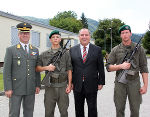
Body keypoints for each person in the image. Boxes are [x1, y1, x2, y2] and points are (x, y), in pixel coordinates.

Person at [106, 25, 148, 117]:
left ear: (130, 34)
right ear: (120, 35)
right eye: (123, 33)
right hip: (120, 83)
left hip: (134, 82)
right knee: (119, 109)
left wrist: (145, 85)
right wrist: (121, 66)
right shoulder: (116, 49)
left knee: (135, 109)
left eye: (127, 32)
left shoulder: (139, 49)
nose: (125, 35)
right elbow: (108, 67)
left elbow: (144, 67)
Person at [3, 22, 41, 117]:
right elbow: (6, 71)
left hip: (30, 87)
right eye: (22, 33)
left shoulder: (35, 50)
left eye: (27, 33)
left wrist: (37, 85)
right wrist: (8, 88)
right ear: (18, 35)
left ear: (29, 35)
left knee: (29, 113)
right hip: (16, 88)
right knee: (14, 113)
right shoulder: (11, 50)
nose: (25, 35)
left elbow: (36, 69)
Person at [36, 30, 72, 117]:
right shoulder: (44, 54)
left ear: (60, 39)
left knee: (64, 112)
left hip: (63, 86)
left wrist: (69, 85)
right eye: (53, 37)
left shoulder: (66, 54)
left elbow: (69, 70)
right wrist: (47, 68)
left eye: (57, 37)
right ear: (50, 40)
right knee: (48, 112)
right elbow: (37, 68)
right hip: (50, 87)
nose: (55, 39)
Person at [70, 28, 105, 117]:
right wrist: (70, 83)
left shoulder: (97, 49)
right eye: (82, 35)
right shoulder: (72, 50)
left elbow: (100, 67)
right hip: (77, 85)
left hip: (92, 84)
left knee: (92, 108)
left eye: (86, 35)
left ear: (90, 36)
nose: (84, 37)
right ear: (79, 37)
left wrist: (101, 82)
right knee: (78, 109)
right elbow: (70, 68)